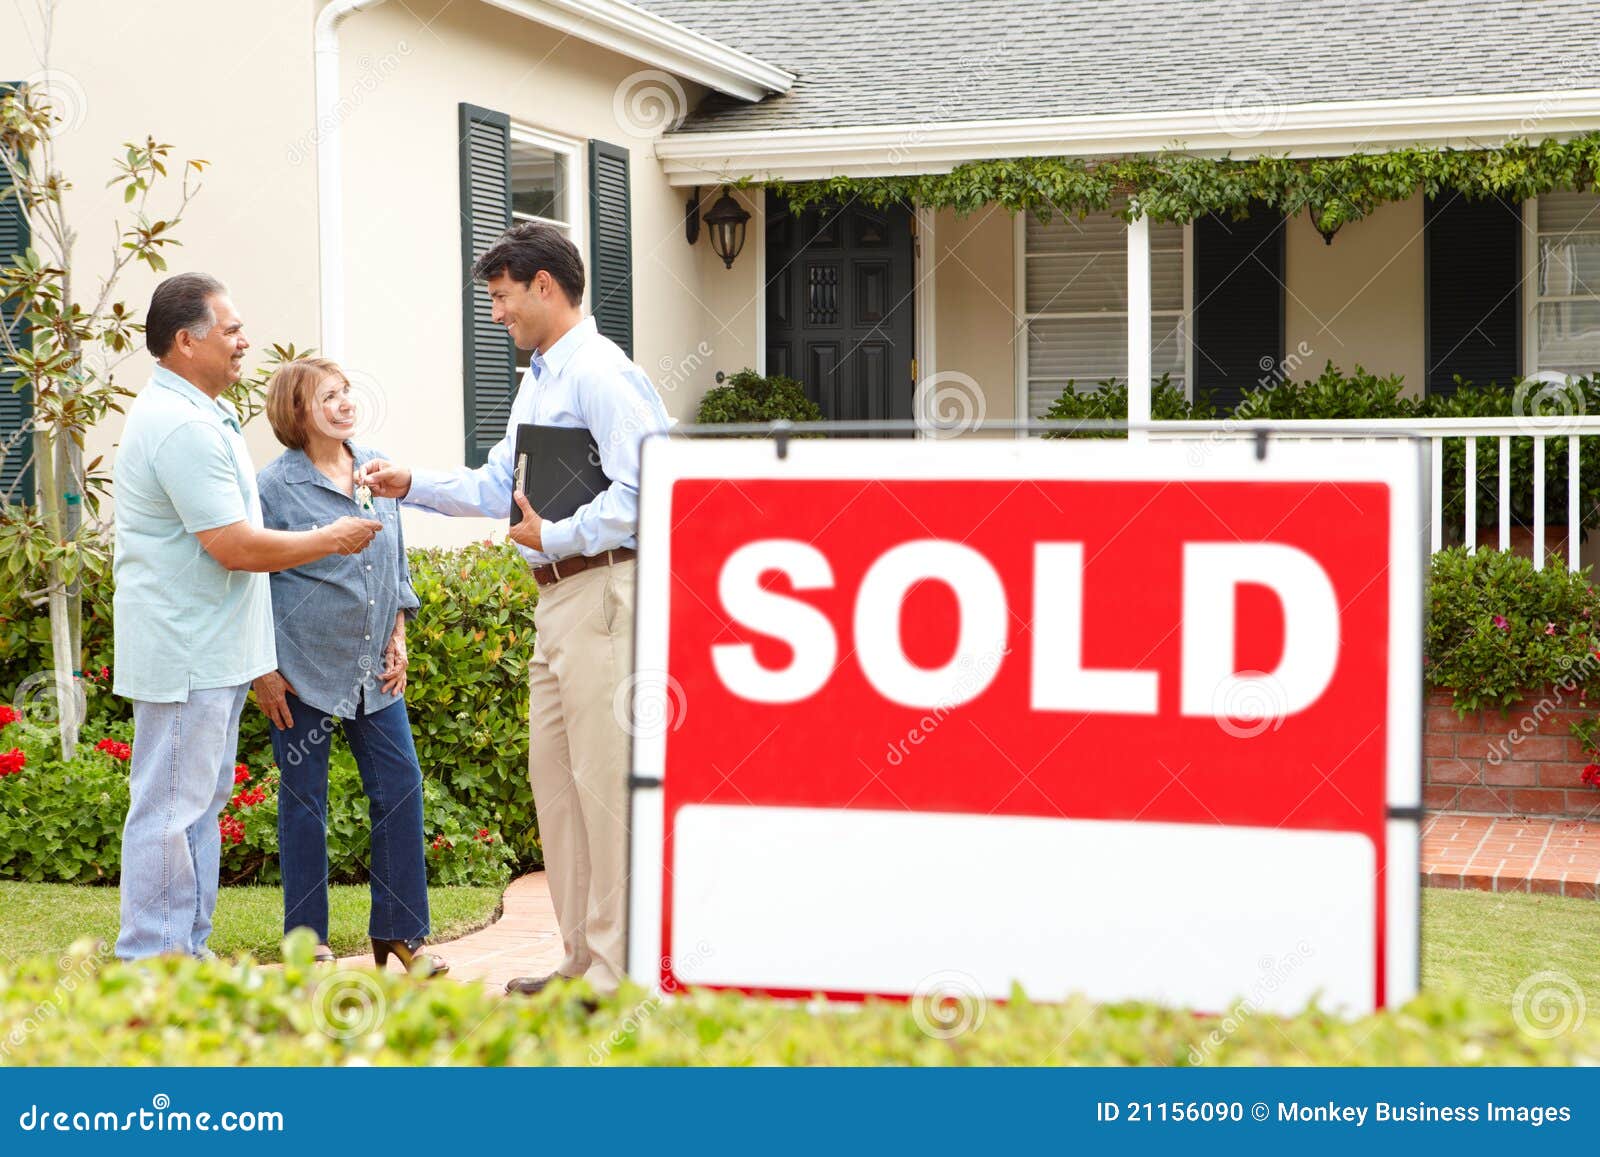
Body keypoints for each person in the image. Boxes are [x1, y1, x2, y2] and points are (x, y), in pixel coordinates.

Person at [360, 222, 670, 996]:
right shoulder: (541, 377)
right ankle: (579, 959)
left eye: (501, 298)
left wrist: (557, 532)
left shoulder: (601, 372)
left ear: (544, 286)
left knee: (603, 785)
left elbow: (652, 483)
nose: (495, 314)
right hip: (557, 599)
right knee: (557, 785)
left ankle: (616, 973)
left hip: (605, 591)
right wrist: (414, 483)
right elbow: (501, 484)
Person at [112, 274, 382, 961]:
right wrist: (331, 537)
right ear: (185, 340)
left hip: (213, 654)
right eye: (230, 330)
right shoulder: (178, 424)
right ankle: (153, 957)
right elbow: (232, 545)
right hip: (185, 656)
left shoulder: (204, 414)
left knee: (196, 809)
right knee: (170, 810)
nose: (244, 342)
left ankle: (185, 951)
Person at [252, 357, 447, 975]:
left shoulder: (377, 467)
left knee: (400, 788)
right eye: (326, 397)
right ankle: (306, 940)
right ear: (296, 412)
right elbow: (252, 579)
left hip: (375, 670)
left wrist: (399, 632)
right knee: (305, 804)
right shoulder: (274, 487)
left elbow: (396, 562)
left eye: (345, 392)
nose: (343, 404)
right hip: (301, 669)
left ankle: (400, 934)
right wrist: (262, 667)